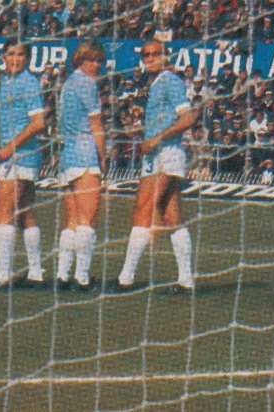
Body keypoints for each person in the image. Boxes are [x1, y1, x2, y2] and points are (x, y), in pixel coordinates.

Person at [114, 39, 198, 293]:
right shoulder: (157, 82)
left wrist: (156, 139)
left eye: (155, 54)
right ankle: (186, 281)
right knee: (171, 217)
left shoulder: (169, 80)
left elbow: (188, 118)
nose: (149, 58)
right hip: (161, 154)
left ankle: (125, 279)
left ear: (165, 56)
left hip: (166, 154)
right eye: (146, 55)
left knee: (142, 209)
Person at [0, 37, 47, 286]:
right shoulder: (7, 81)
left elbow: (38, 123)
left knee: (4, 210)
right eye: (11, 54)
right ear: (3, 57)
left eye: (20, 54)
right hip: (18, 153)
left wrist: (9, 147)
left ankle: (3, 274)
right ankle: (36, 272)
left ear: (28, 59)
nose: (15, 59)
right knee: (25, 213)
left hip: (20, 155)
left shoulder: (28, 82)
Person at [55, 39, 107, 292]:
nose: (96, 65)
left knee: (72, 220)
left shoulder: (67, 83)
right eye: (91, 60)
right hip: (85, 153)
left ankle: (62, 275)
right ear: (80, 60)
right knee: (87, 218)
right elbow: (96, 125)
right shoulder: (87, 84)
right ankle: (82, 278)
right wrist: (103, 156)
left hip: (67, 156)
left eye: (99, 61)